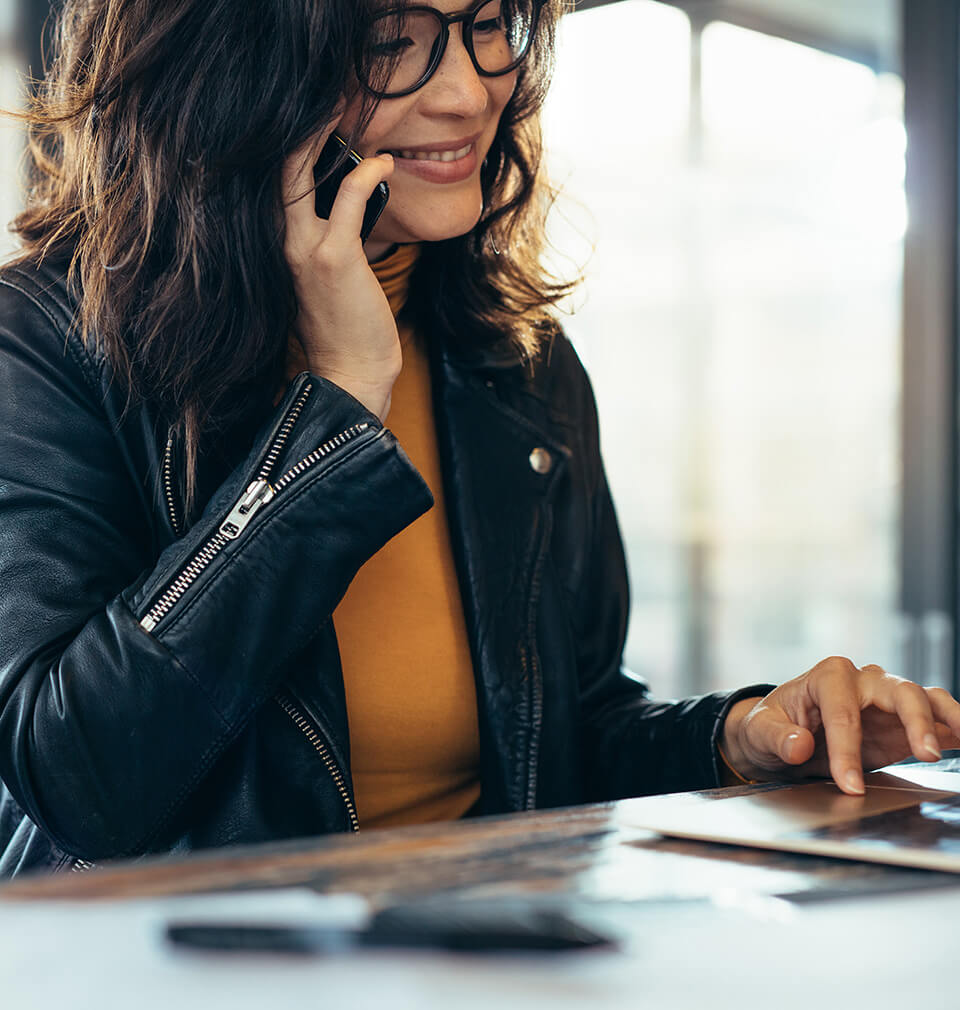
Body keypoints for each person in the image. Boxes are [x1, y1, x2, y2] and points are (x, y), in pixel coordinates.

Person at [0, 0, 958, 878]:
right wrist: (334, 409)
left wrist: (745, 738)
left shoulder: (518, 360)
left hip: (475, 954)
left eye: (491, 24)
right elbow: (84, 782)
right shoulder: (43, 343)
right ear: (232, 71)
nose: (466, 93)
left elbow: (561, 732)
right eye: (389, 43)